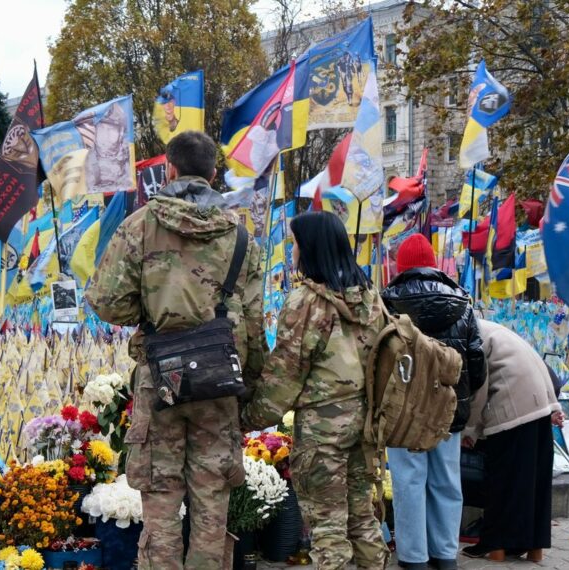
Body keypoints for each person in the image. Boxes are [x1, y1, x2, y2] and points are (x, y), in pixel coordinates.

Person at [85, 130, 266, 569]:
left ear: (169, 170)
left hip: (161, 381)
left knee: (162, 506)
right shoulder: (241, 238)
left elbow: (106, 300)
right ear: (213, 174)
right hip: (220, 384)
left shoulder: (140, 226)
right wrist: (251, 387)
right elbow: (256, 327)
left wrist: (151, 313)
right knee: (211, 506)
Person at [243, 211, 389, 570]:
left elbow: (285, 375)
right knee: (362, 518)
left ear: (309, 248)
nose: (292, 251)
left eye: (294, 243)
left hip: (323, 433)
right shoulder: (371, 299)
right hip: (365, 427)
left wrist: (249, 418)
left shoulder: (307, 301)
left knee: (327, 525)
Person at [380, 234, 486, 570]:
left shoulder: (386, 303)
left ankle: (413, 558)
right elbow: (477, 361)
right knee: (447, 481)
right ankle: (445, 555)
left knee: (409, 483)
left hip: (403, 414)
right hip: (448, 409)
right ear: (432, 264)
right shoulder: (463, 304)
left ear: (402, 267)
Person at [462, 319, 564, 562]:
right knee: (535, 484)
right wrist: (553, 407)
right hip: (540, 403)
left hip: (511, 407)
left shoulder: (470, 335)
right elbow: (545, 370)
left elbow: (479, 388)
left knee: (503, 481)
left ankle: (495, 546)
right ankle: (534, 548)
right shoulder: (495, 329)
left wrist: (469, 431)